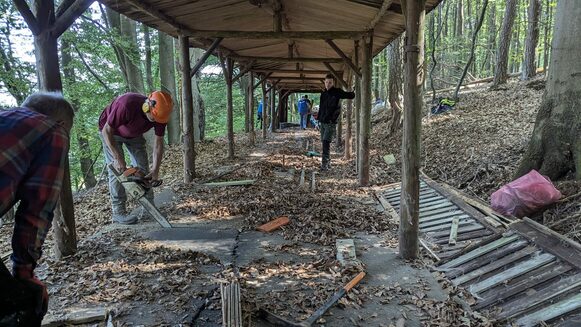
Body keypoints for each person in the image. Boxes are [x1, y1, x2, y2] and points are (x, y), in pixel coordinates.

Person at [0, 92, 75, 325]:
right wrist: (25, 274)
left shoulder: (6, 119)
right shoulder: (53, 130)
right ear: (62, 123)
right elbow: (37, 211)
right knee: (23, 304)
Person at [99, 91, 173, 225]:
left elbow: (158, 144)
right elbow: (106, 131)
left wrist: (155, 170)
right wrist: (117, 158)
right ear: (147, 106)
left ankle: (149, 208)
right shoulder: (127, 104)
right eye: (153, 118)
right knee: (117, 171)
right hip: (111, 133)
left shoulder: (161, 115)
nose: (156, 122)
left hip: (134, 133)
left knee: (143, 168)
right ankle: (118, 212)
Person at [318, 74, 355, 170]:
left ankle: (325, 164)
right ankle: (327, 162)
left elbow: (349, 95)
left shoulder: (337, 92)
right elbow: (321, 108)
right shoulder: (323, 94)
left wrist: (354, 90)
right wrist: (319, 120)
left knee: (326, 141)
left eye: (330, 82)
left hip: (330, 122)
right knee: (324, 142)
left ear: (333, 83)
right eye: (326, 82)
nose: (328, 84)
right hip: (323, 122)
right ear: (324, 82)